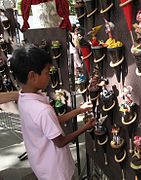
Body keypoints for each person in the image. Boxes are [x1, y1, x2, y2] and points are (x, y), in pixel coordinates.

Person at [10, 45, 96, 180]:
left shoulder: (23, 98)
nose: (49, 76)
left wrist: (79, 110)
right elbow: (60, 142)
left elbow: (53, 121)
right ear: (32, 76)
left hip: (41, 165)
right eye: (47, 72)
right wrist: (85, 127)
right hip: (56, 171)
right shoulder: (42, 110)